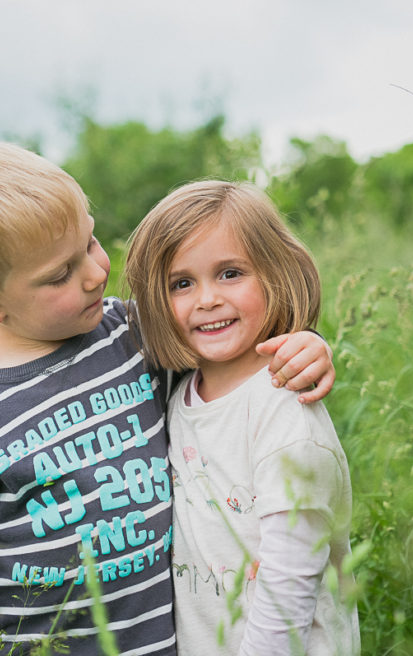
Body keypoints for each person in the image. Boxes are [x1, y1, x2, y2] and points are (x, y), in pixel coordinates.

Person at [0, 142, 335, 655]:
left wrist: (309, 345)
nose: (96, 272)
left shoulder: (132, 336)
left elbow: (224, 345)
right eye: (61, 274)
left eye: (91, 241)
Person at [123, 180, 359, 654]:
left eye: (230, 273)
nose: (207, 299)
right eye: (181, 283)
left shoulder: (283, 411)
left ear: (277, 275)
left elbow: (288, 589)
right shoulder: (178, 389)